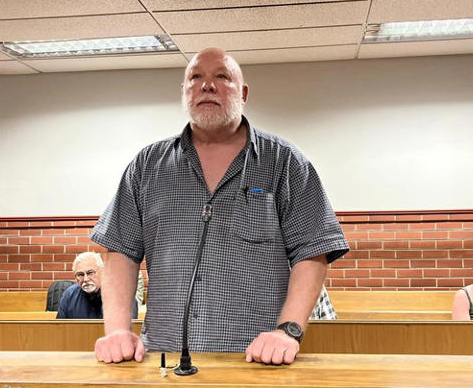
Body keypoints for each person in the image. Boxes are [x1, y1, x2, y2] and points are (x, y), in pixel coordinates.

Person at [91, 47, 349, 365]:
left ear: (242, 93)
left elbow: (312, 252)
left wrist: (288, 331)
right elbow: (120, 250)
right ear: (184, 92)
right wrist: (117, 330)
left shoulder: (285, 162)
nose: (207, 85)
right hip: (165, 358)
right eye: (195, 77)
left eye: (221, 77)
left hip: (256, 360)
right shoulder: (147, 165)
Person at [56, 251, 138, 319]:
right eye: (80, 274)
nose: (85, 279)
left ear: (102, 272)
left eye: (90, 273)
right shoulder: (69, 295)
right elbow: (59, 330)